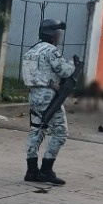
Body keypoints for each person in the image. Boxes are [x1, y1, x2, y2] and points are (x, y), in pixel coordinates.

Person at [22, 19, 74, 185]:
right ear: (53, 35)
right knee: (60, 132)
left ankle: (31, 170)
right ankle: (46, 169)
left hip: (33, 96)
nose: (59, 38)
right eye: (58, 34)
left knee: (36, 130)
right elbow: (64, 71)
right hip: (48, 96)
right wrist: (74, 64)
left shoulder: (31, 51)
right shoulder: (51, 51)